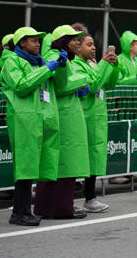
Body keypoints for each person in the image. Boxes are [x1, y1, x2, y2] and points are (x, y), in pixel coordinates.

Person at [0, 27, 61, 226]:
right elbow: (22, 85)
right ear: (21, 43)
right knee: (24, 167)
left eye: (38, 40)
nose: (37, 43)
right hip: (23, 120)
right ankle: (19, 213)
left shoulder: (36, 62)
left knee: (32, 166)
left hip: (37, 119)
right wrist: (47, 69)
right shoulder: (11, 61)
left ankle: (24, 211)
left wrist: (58, 67)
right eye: (33, 40)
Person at [36, 25, 90, 219]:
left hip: (66, 114)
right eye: (74, 39)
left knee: (58, 164)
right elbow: (60, 86)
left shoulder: (63, 57)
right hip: (64, 116)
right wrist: (82, 81)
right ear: (63, 41)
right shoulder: (56, 57)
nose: (77, 42)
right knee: (65, 164)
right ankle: (61, 208)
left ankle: (48, 207)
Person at [72, 30, 119, 212]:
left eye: (93, 45)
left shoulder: (92, 65)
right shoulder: (76, 65)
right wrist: (102, 65)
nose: (93, 48)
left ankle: (90, 198)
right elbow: (92, 86)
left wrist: (113, 66)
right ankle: (82, 197)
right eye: (88, 45)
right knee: (82, 158)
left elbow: (109, 84)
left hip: (97, 116)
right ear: (78, 48)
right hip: (85, 116)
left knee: (94, 157)